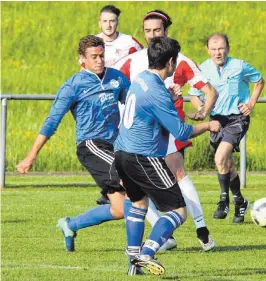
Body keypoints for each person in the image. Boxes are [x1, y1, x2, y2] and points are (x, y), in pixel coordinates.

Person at [114, 36, 221, 275]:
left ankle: (134, 265)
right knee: (177, 211)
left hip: (122, 154)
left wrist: (169, 99)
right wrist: (208, 125)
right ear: (170, 62)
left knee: (139, 204)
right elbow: (181, 131)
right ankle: (146, 253)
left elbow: (148, 110)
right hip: (144, 157)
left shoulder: (141, 79)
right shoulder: (156, 91)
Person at [16, 35, 131, 255]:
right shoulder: (73, 85)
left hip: (115, 145)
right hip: (91, 146)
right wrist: (31, 156)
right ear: (82, 60)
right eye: (93, 57)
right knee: (132, 179)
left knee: (119, 209)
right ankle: (145, 246)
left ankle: (71, 224)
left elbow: (136, 103)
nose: (99, 60)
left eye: (101, 56)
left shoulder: (117, 78)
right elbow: (51, 122)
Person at [189, 33, 265, 223]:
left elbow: (259, 80)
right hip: (216, 120)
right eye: (213, 49)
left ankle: (224, 201)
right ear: (208, 50)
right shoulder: (203, 68)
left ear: (228, 49)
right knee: (226, 165)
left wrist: (251, 103)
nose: (217, 52)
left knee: (220, 157)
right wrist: (201, 108)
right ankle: (240, 201)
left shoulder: (239, 66)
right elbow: (194, 94)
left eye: (221, 48)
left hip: (237, 118)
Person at [94, 4, 143, 205]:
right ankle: (110, 187)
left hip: (123, 99)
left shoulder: (130, 42)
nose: (108, 24)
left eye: (112, 21)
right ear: (100, 22)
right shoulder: (93, 41)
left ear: (117, 22)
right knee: (104, 143)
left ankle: (124, 186)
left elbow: (144, 61)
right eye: (105, 21)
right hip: (102, 102)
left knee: (123, 142)